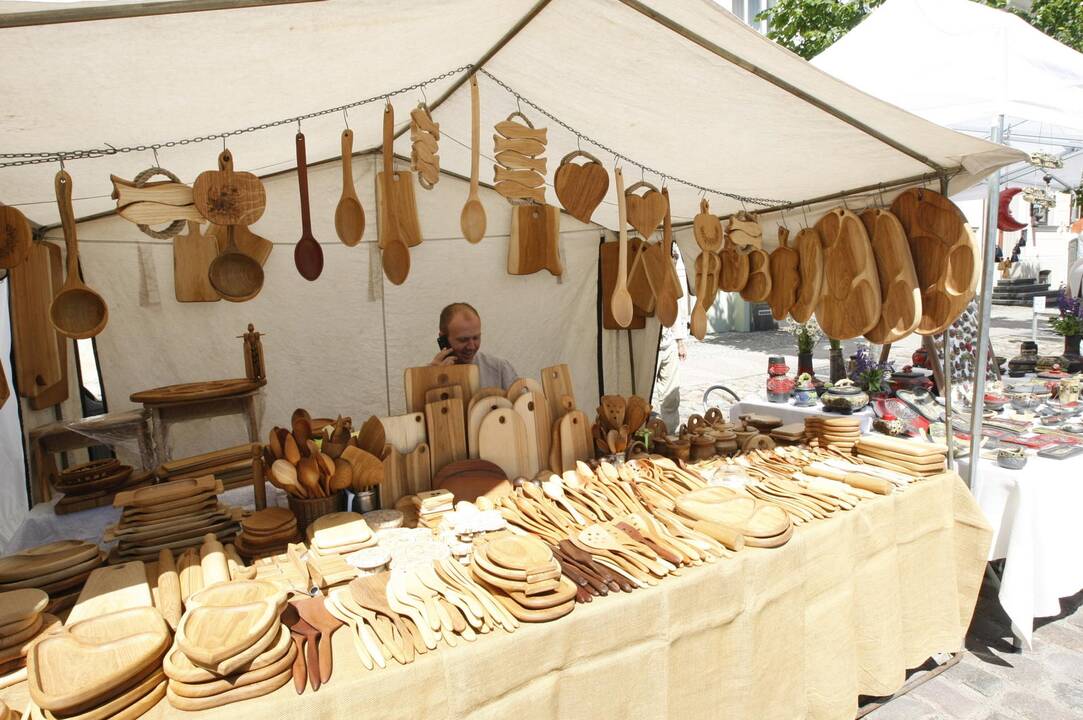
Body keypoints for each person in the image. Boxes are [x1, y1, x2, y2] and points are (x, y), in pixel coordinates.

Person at [430, 302, 517, 390]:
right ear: (443, 338)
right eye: (463, 340)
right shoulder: (426, 378)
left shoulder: (500, 368)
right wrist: (432, 380)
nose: (471, 347)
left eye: (476, 338)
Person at [652, 248, 688, 433]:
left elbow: (675, 312)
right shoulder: (651, 278)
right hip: (651, 348)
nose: (674, 263)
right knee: (644, 394)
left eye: (675, 259)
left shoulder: (672, 283)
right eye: (672, 259)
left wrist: (680, 341)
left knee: (671, 395)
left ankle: (671, 433)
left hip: (668, 344)